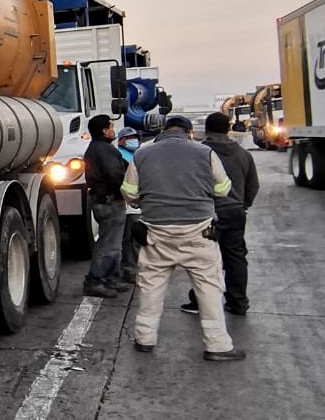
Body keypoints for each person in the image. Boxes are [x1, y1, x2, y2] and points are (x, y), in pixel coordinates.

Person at [121, 115, 245, 361]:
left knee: (151, 286)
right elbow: (222, 189)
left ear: (163, 131)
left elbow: (129, 193)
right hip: (198, 232)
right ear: (189, 132)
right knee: (208, 287)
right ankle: (217, 345)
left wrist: (146, 199)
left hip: (157, 232)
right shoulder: (204, 152)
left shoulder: (142, 155)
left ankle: (144, 339)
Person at [181, 112, 260, 316]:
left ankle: (200, 301)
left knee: (202, 259)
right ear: (228, 129)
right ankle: (238, 302)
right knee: (236, 258)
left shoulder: (199, 153)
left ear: (206, 129)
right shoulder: (244, 154)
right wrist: (243, 204)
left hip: (206, 213)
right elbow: (253, 185)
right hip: (235, 212)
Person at [81, 115, 131, 298]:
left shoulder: (96, 148)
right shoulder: (105, 149)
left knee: (113, 243)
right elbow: (115, 175)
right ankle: (95, 280)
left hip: (102, 199)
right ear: (104, 130)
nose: (114, 130)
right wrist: (125, 192)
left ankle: (111, 278)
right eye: (111, 126)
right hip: (110, 200)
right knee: (108, 244)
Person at [115, 127, 143, 283]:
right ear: (121, 141)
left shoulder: (134, 155)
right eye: (129, 137)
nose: (134, 140)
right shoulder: (121, 156)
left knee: (133, 239)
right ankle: (129, 270)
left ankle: (131, 268)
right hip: (129, 205)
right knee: (131, 240)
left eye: (135, 137)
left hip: (134, 205)